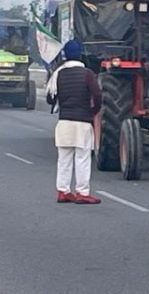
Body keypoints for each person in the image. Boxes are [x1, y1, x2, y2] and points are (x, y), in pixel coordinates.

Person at [46, 40, 103, 205]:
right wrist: (93, 111)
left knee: (64, 159)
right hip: (82, 122)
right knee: (82, 158)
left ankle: (63, 191)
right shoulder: (87, 74)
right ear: (80, 54)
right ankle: (82, 192)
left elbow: (50, 99)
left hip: (64, 121)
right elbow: (97, 95)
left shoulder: (59, 74)